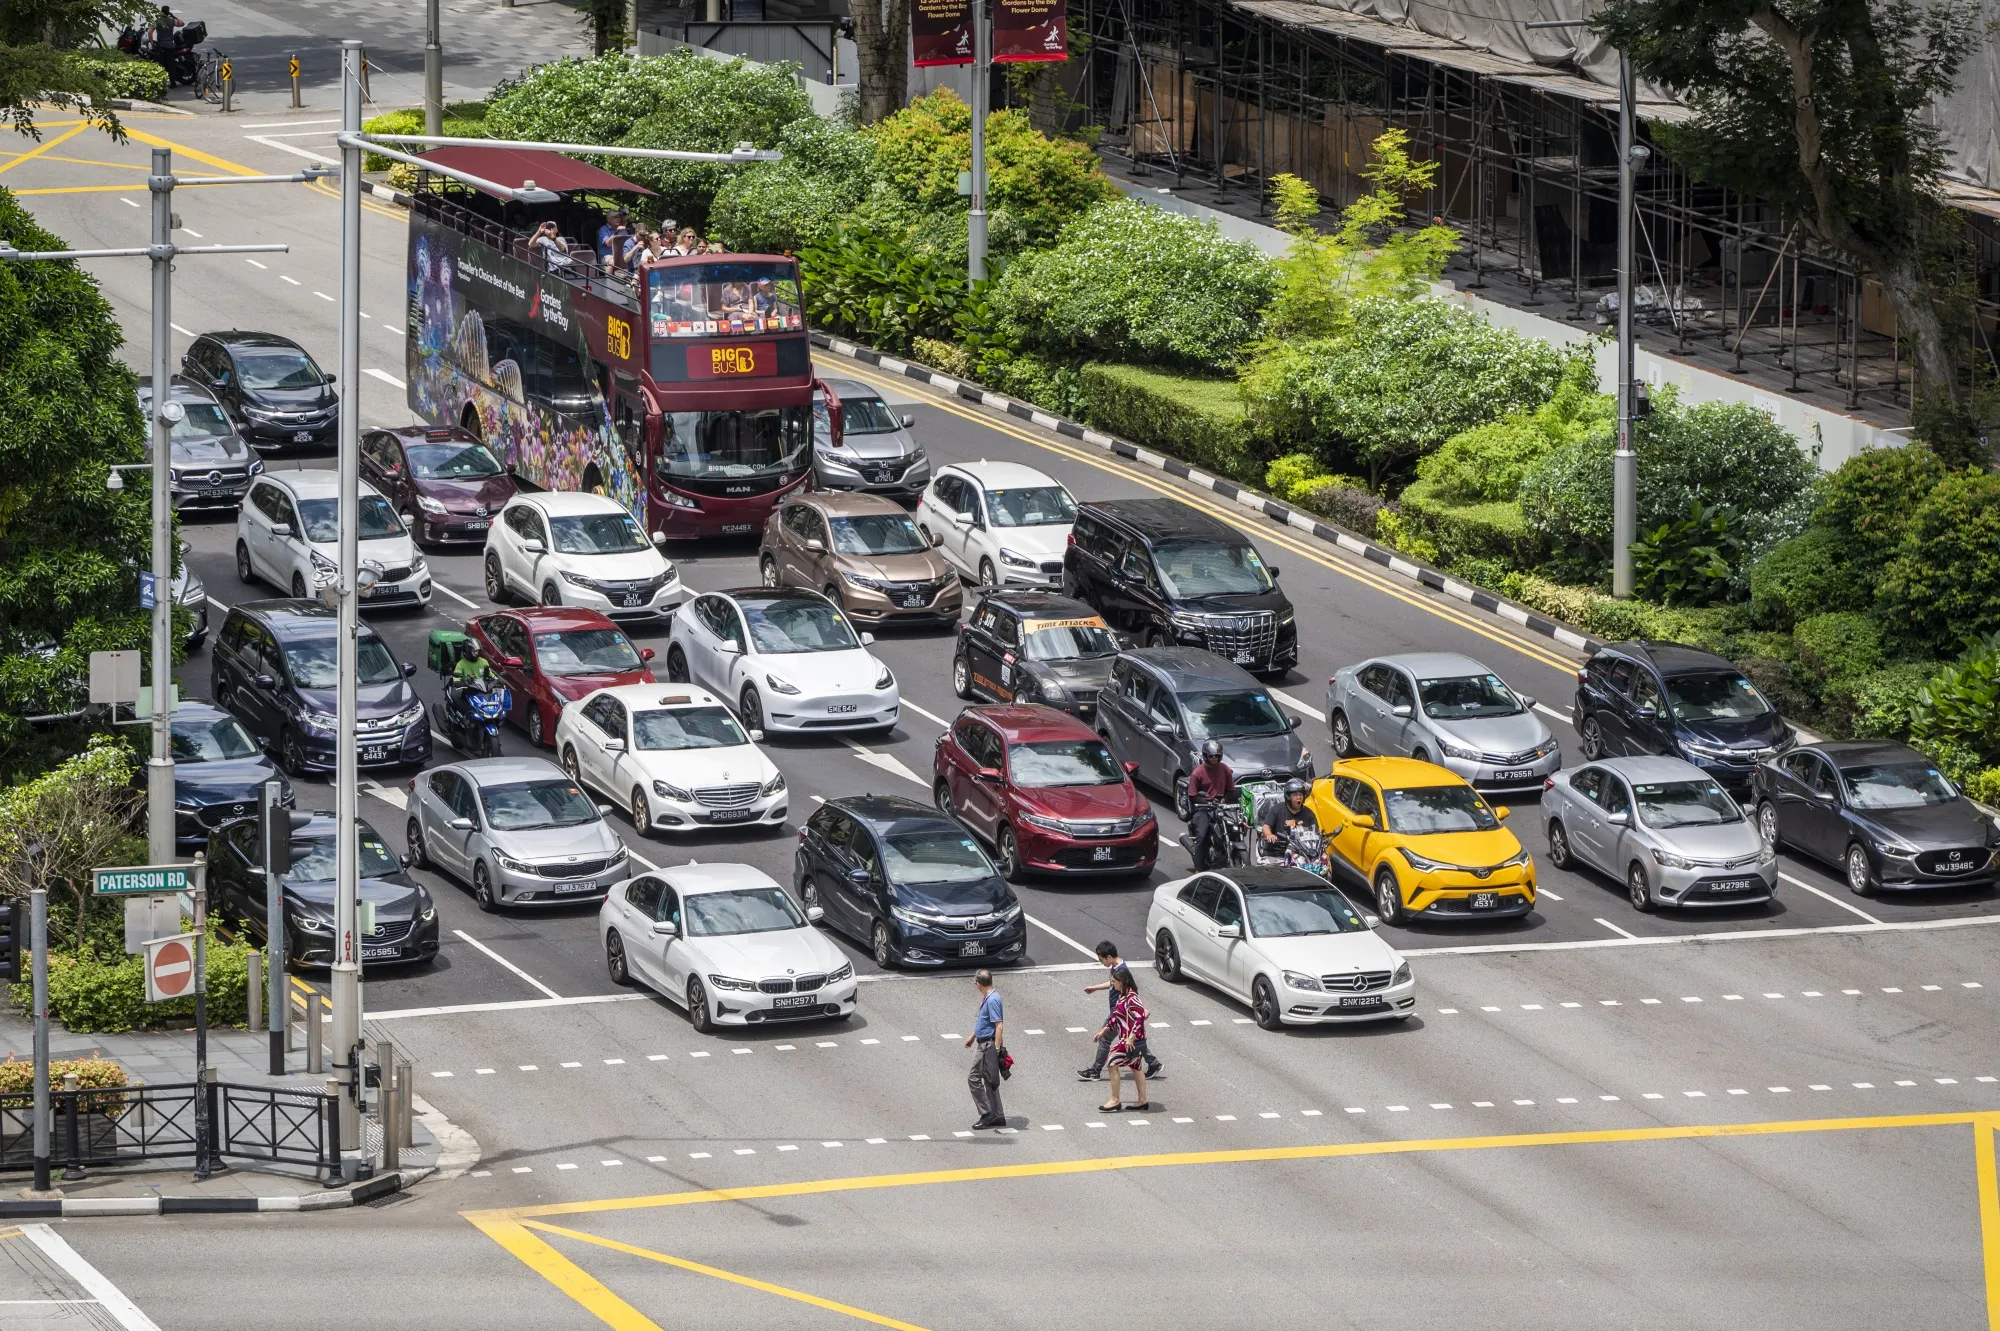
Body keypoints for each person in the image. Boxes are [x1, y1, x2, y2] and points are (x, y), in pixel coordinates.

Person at [1079, 942, 1162, 1082]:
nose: (1101, 962)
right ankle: (1154, 1063)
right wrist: (1095, 987)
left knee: (1105, 1039)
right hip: (1119, 1011)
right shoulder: (1116, 966)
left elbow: (1132, 989)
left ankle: (1095, 1071)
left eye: (1101, 960)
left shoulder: (1122, 969)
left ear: (1109, 957)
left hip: (1119, 1012)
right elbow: (1112, 983)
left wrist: (1142, 1008)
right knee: (1131, 1040)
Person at [1094, 970, 1150, 1113]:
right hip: (1130, 1040)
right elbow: (1116, 1017)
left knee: (1112, 1063)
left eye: (1114, 981)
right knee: (1136, 1067)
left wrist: (1132, 1037)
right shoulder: (1122, 996)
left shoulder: (1131, 997)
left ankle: (1115, 1100)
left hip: (1129, 1041)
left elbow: (1141, 1016)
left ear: (1122, 981)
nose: (1113, 984)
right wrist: (1103, 1031)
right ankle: (1142, 1101)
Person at [964, 969, 1006, 1130]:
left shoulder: (992, 1000)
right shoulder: (989, 998)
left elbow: (999, 1025)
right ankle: (998, 1115)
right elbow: (984, 1021)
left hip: (988, 1045)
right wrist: (973, 1036)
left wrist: (995, 1049)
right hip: (984, 1042)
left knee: (973, 1078)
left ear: (978, 984)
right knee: (990, 1081)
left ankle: (987, 1113)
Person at [1185, 739, 1236, 871]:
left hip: (1220, 807)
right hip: (1203, 808)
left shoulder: (1225, 769)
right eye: (1211, 756)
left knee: (1235, 828)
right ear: (1205, 756)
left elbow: (1231, 790)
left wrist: (1224, 800)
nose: (1214, 758)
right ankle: (1199, 868)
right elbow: (1192, 795)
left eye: (1217, 756)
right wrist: (1207, 803)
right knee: (1202, 835)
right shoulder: (1197, 773)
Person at [1259, 777, 1319, 852]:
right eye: (1295, 795)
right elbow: (1266, 826)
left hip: (1303, 852)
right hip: (1278, 851)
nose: (1299, 797)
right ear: (1288, 797)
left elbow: (1316, 833)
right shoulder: (1277, 809)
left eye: (1301, 794)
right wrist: (1269, 835)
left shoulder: (1309, 814)